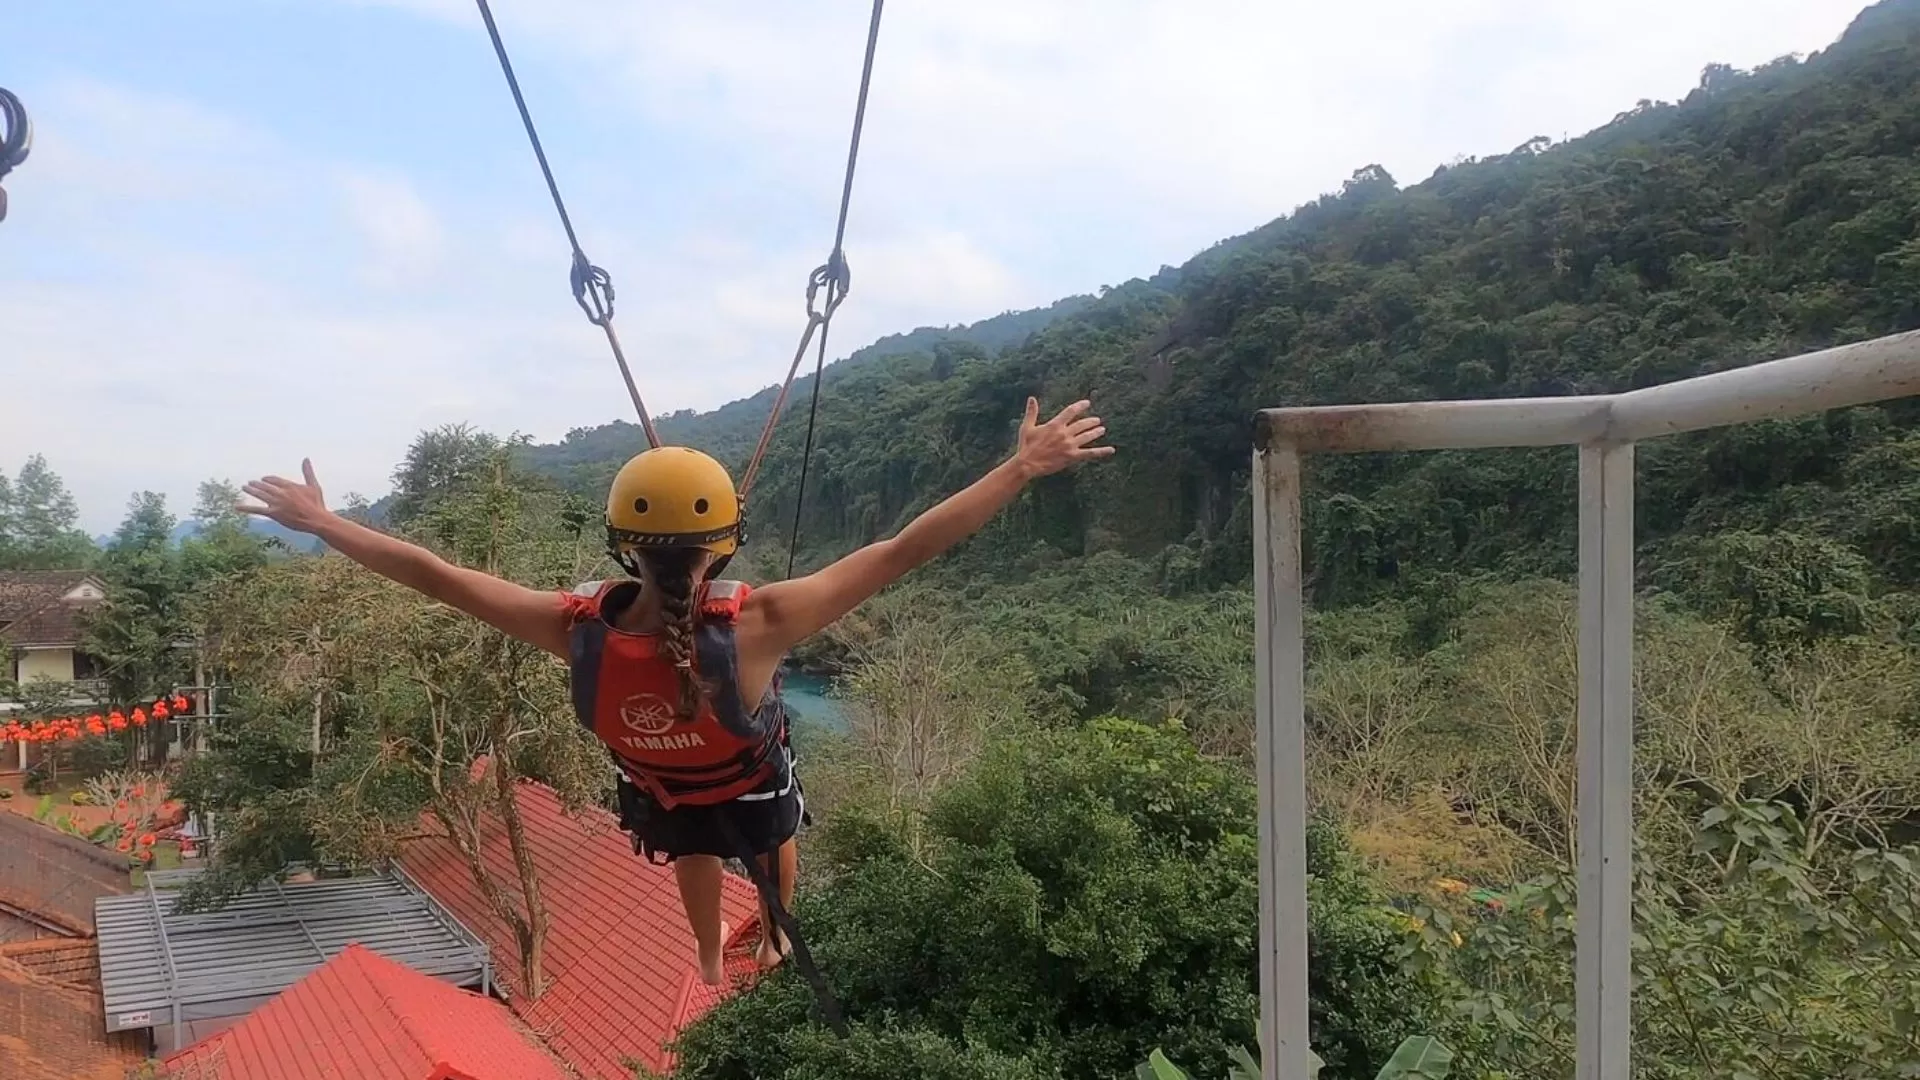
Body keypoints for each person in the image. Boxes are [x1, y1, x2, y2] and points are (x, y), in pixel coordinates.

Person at [236, 396, 1113, 985]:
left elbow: (435, 575)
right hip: (749, 784)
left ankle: (703, 954)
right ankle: (771, 934)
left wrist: (324, 523)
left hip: (659, 791)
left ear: (622, 546)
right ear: (725, 544)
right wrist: (1021, 468)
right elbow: (902, 551)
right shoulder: (759, 623)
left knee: (696, 842)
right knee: (772, 829)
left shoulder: (574, 628)